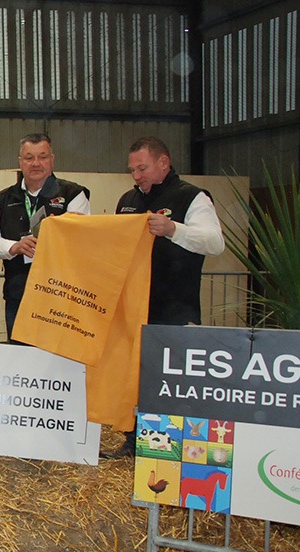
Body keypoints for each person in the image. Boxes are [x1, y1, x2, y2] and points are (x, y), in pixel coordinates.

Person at [102, 136, 225, 458]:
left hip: (175, 305)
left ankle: (169, 449)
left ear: (163, 163)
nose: (136, 176)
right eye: (132, 170)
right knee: (135, 376)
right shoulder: (127, 199)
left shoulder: (193, 197)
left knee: (170, 380)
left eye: (142, 168)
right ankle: (132, 439)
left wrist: (174, 230)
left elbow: (214, 243)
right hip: (133, 307)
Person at [0, 133, 90, 339]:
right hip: (18, 294)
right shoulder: (3, 198)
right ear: (20, 161)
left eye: (43, 157)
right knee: (20, 359)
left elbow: (82, 240)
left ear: (52, 160)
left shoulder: (74, 194)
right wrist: (14, 247)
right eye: (29, 158)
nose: (36, 163)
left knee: (57, 362)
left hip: (60, 297)